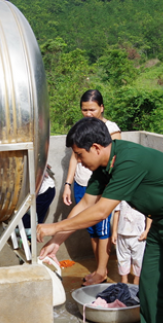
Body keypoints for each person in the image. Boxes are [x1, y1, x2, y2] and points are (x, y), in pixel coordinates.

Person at [37, 117, 163, 323]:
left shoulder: (129, 160)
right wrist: (56, 242)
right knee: (149, 288)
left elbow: (100, 211)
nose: (78, 161)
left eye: (79, 155)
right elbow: (86, 203)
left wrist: (53, 227)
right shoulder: (102, 167)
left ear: (96, 148)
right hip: (162, 219)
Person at [63, 90, 121, 286]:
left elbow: (115, 160)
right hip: (81, 184)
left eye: (92, 109)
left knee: (102, 227)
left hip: (100, 186)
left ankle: (101, 270)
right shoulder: (81, 129)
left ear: (102, 108)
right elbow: (74, 157)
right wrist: (68, 184)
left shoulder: (111, 129)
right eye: (84, 110)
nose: (87, 114)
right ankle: (98, 268)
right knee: (91, 229)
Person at [110, 201, 151, 285]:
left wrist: (146, 231)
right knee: (122, 259)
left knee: (138, 259)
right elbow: (117, 213)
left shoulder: (144, 197)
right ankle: (124, 280)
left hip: (138, 236)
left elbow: (150, 215)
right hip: (122, 235)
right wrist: (114, 231)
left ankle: (137, 279)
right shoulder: (122, 196)